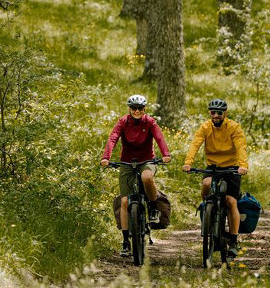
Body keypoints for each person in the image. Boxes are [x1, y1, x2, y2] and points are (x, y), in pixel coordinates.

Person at [99, 94, 171, 257]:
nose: (137, 111)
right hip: (127, 162)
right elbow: (113, 138)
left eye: (140, 108)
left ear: (144, 109)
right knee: (125, 201)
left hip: (146, 160)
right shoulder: (123, 122)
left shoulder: (150, 122)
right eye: (134, 108)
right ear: (129, 109)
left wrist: (165, 153)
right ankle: (126, 241)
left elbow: (159, 137)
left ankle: (152, 207)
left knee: (147, 178)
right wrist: (106, 157)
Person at [181, 98, 249, 255]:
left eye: (219, 113)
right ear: (210, 113)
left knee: (231, 202)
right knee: (206, 185)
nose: (216, 115)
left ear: (225, 113)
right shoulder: (205, 127)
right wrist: (188, 162)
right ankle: (208, 208)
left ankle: (233, 240)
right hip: (213, 167)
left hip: (232, 168)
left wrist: (242, 165)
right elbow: (195, 144)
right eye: (213, 112)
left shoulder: (234, 127)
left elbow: (241, 146)